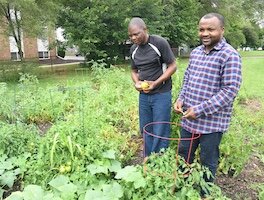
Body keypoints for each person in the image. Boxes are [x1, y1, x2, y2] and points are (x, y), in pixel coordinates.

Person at [174, 13, 242, 183]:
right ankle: (182, 185)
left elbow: (229, 90)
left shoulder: (229, 55)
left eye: (210, 29)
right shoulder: (196, 52)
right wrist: (180, 99)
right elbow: (187, 78)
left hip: (212, 123)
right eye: (201, 29)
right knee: (184, 154)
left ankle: (205, 193)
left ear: (222, 30)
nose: (205, 33)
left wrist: (199, 110)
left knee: (208, 160)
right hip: (189, 119)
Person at [128, 17, 177, 157]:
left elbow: (172, 66)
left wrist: (156, 83)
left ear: (145, 30)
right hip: (144, 95)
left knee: (160, 127)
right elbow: (133, 70)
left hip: (161, 93)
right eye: (130, 35)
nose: (133, 37)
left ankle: (159, 159)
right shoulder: (133, 49)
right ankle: (148, 158)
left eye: (136, 34)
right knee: (145, 127)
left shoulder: (159, 43)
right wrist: (136, 83)